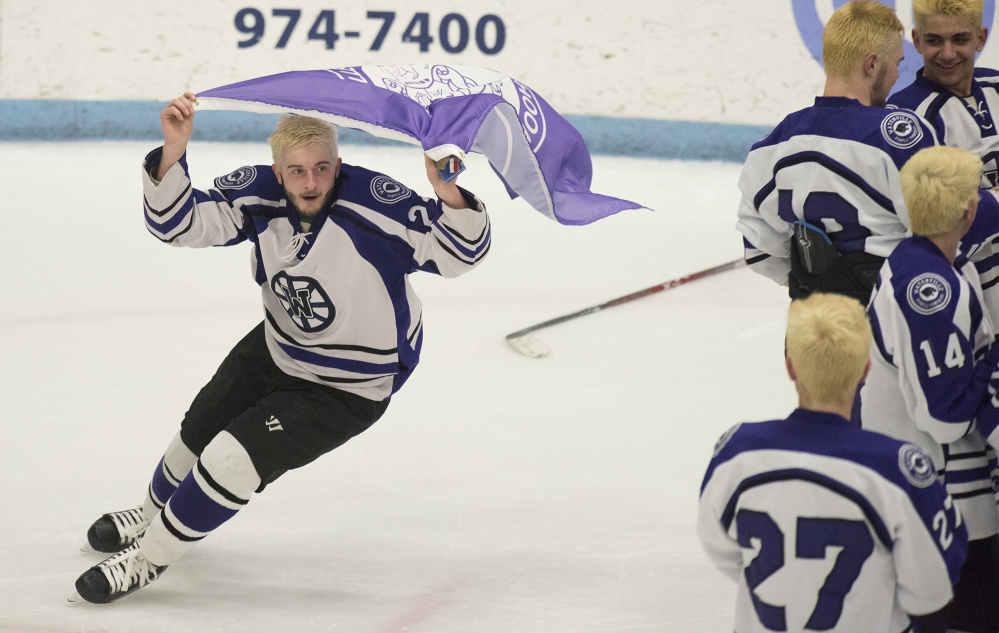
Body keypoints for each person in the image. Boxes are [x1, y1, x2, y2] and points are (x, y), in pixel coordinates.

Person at [69, 92, 492, 604]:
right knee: (199, 428)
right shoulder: (259, 191)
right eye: (296, 171)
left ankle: (147, 559)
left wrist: (447, 192)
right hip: (278, 345)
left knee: (229, 460)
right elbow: (175, 224)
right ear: (278, 169)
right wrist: (174, 152)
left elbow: (459, 253)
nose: (310, 183)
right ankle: (152, 509)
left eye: (321, 169)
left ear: (337, 165)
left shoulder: (377, 203)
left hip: (349, 385)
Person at [698, 292, 967, 633]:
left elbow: (721, 548)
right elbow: (931, 591)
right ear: (866, 369)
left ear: (790, 366)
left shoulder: (737, 453)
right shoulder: (895, 470)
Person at [861, 145, 999, 633]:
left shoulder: (928, 257)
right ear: (966, 209)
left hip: (936, 491)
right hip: (942, 497)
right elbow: (944, 416)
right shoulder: (928, 287)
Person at [736, 0, 939, 302]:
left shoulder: (776, 143)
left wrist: (814, 290)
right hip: (887, 325)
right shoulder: (898, 134)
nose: (898, 75)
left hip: (811, 327)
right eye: (897, 63)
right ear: (871, 64)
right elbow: (942, 229)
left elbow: (759, 251)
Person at [887, 0, 999, 316]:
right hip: (967, 314)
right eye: (935, 40)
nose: (947, 53)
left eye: (960, 39)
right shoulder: (905, 120)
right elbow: (933, 228)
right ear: (917, 40)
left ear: (981, 37)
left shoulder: (997, 86)